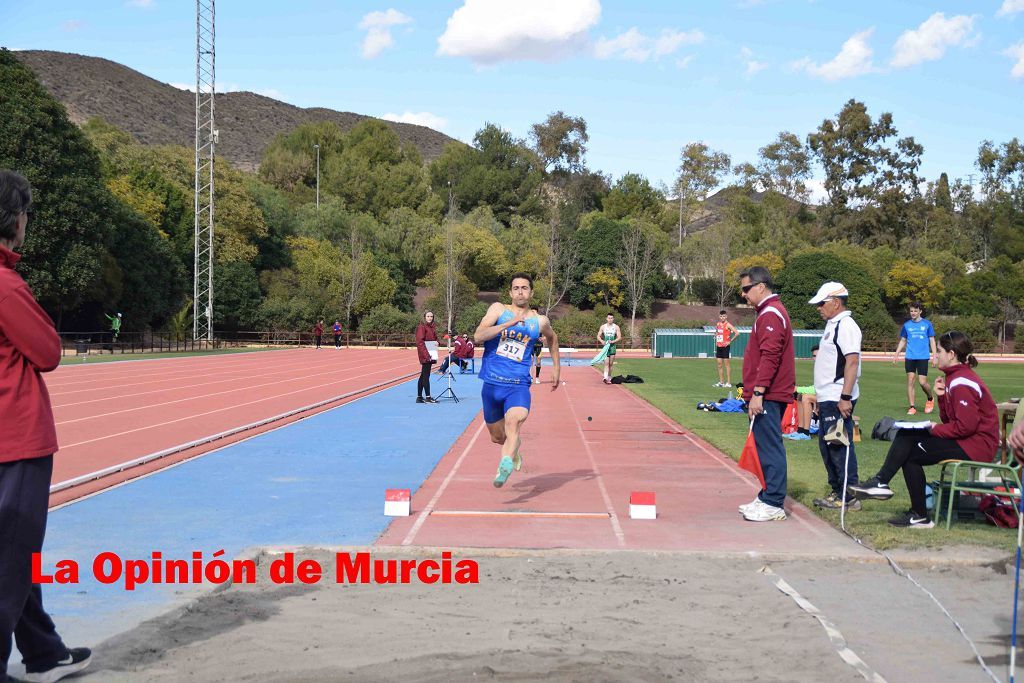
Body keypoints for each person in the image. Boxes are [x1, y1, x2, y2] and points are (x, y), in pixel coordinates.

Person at [0, 170, 92, 682]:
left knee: (19, 549)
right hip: (15, 439)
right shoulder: (7, 286)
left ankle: (43, 651)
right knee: (12, 558)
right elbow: (48, 351)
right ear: (14, 219)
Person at [849, 331, 998, 528]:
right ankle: (900, 499)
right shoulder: (955, 378)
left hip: (977, 445)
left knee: (909, 450)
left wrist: (933, 430)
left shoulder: (962, 382)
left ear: (952, 354)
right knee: (907, 438)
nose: (934, 356)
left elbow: (965, 427)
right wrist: (942, 397)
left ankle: (893, 492)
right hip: (970, 441)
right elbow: (952, 420)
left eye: (939, 351)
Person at [475, 273, 560, 487]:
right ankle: (514, 452)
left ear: (531, 292)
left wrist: (556, 367)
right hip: (492, 384)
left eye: (524, 288)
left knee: (514, 422)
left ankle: (504, 465)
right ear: (510, 292)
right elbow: (479, 336)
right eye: (516, 288)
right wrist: (508, 324)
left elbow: (552, 337)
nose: (520, 291)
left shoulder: (539, 321)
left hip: (518, 386)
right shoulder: (498, 310)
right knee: (497, 437)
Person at [737, 267, 796, 522]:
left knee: (770, 446)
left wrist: (758, 392)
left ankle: (773, 502)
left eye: (746, 289)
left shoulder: (771, 313)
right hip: (767, 393)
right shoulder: (768, 312)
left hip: (769, 394)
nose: (743, 295)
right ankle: (766, 495)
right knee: (764, 446)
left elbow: (770, 356)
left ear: (761, 287)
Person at [806, 283, 863, 511]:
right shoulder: (833, 325)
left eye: (822, 303)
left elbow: (852, 361)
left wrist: (845, 396)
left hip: (838, 395)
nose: (819, 308)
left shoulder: (846, 325)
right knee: (828, 446)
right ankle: (838, 490)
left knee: (838, 445)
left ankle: (848, 495)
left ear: (836, 302)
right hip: (828, 396)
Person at [893, 301, 936, 415]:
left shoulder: (927, 324)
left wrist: (934, 356)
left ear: (920, 311)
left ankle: (930, 398)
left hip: (922, 357)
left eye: (915, 311)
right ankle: (912, 407)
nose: (913, 313)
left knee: (922, 382)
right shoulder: (907, 325)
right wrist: (896, 354)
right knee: (911, 380)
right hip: (910, 356)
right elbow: (903, 340)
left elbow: (932, 340)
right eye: (911, 311)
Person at [784, 345, 820, 441]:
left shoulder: (827, 367)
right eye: (814, 356)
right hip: (823, 395)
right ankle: (800, 430)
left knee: (806, 397)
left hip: (832, 398)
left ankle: (806, 433)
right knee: (800, 396)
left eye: (818, 356)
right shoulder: (819, 367)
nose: (815, 358)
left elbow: (817, 389)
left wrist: (798, 388)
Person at [414, 312, 439, 404]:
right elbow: (420, 342)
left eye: (431, 316)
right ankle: (428, 397)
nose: (430, 318)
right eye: (428, 316)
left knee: (422, 376)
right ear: (424, 317)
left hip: (431, 352)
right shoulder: (422, 327)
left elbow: (435, 339)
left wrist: (438, 342)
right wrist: (427, 355)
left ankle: (419, 397)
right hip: (426, 354)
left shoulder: (432, 327)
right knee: (426, 376)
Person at [713, 309, 739, 388]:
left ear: (726, 316)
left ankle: (728, 383)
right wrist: (715, 335)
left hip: (725, 347)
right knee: (719, 364)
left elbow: (737, 333)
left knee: (726, 365)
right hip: (719, 346)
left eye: (724, 316)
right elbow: (717, 332)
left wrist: (730, 341)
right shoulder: (718, 324)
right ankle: (721, 382)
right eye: (721, 316)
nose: (722, 318)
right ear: (719, 317)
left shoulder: (728, 325)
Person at [597, 313, 622, 385]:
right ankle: (605, 378)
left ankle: (609, 377)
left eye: (611, 318)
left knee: (610, 364)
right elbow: (598, 336)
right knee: (606, 363)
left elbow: (619, 337)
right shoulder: (603, 327)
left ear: (613, 319)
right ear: (606, 318)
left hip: (612, 347)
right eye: (609, 318)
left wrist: (613, 341)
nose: (610, 319)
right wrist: (602, 341)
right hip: (606, 347)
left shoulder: (616, 327)